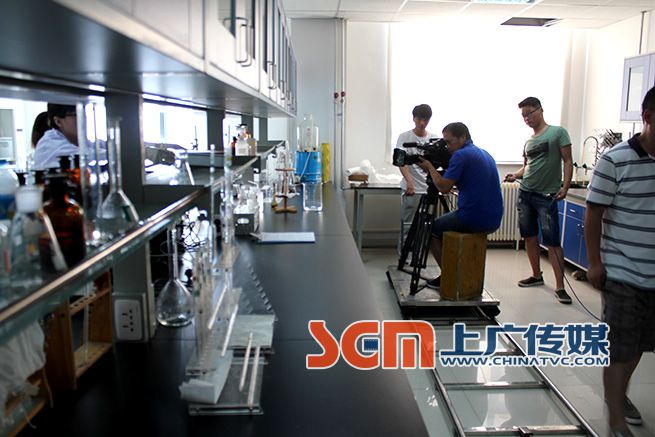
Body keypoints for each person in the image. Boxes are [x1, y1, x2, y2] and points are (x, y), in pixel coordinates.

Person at [584, 86, 655, 437]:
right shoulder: (616, 160)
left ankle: (619, 395)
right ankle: (615, 419)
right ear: (648, 117)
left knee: (639, 343)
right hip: (623, 270)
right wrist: (595, 262)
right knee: (618, 347)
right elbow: (594, 213)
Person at [504, 97, 573, 304]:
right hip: (525, 194)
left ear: (540, 110)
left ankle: (560, 287)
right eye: (523, 115)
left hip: (546, 196)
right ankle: (536, 275)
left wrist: (565, 187)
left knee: (552, 242)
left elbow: (567, 160)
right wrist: (515, 175)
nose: (527, 118)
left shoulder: (558, 133)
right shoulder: (529, 141)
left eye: (529, 113)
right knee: (529, 237)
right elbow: (527, 166)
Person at [417, 122, 503, 288]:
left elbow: (443, 187)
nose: (447, 147)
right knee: (446, 224)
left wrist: (429, 168)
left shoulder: (460, 155)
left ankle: (449, 276)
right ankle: (457, 271)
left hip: (473, 217)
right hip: (494, 218)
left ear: (463, 137)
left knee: (431, 229)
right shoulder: (484, 153)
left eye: (449, 142)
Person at [395, 104, 434, 253]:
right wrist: (409, 181)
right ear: (414, 118)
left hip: (428, 189)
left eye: (425, 119)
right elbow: (401, 161)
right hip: (411, 189)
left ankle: (418, 255)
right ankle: (404, 256)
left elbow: (434, 166)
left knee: (425, 226)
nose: (422, 123)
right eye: (419, 119)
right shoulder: (404, 137)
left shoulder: (433, 139)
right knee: (408, 225)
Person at [32, 104, 79, 170]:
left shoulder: (76, 140)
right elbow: (87, 159)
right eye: (75, 114)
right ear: (58, 121)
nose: (83, 118)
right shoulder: (51, 143)